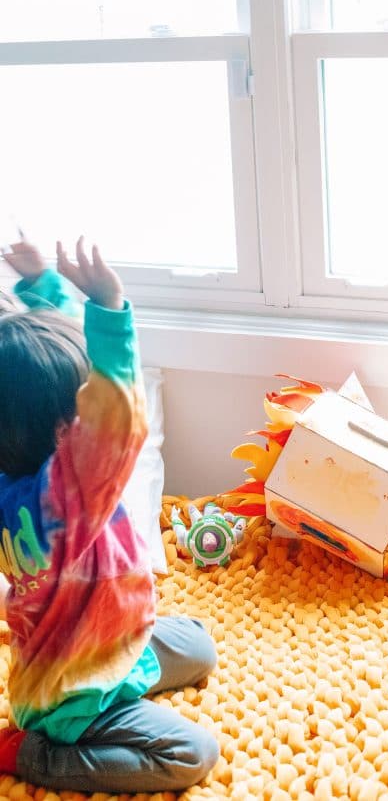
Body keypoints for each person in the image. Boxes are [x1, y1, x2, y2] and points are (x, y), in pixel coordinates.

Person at [0, 237, 219, 791]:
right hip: (72, 694)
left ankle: (122, 677)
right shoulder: (69, 491)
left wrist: (42, 288)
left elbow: (44, 362)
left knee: (197, 644)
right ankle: (34, 755)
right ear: (61, 429)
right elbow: (116, 405)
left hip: (96, 639)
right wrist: (108, 305)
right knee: (193, 753)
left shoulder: (24, 479)